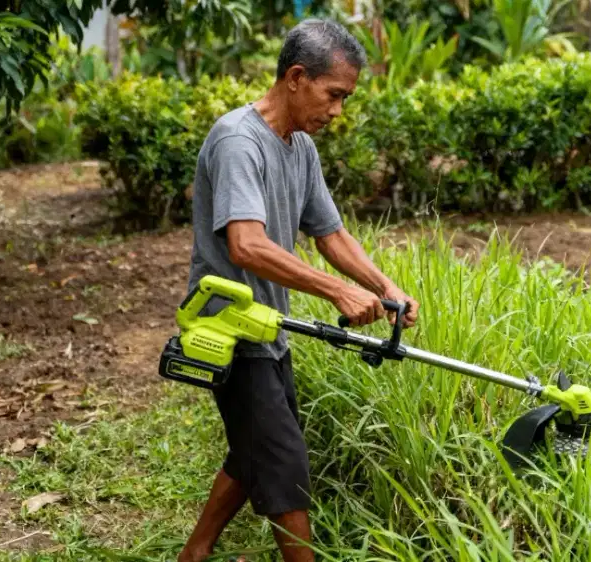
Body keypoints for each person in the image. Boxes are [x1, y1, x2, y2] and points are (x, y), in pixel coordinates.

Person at [178, 18, 419, 562]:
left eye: (345, 99)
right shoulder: (240, 141)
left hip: (268, 324)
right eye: (334, 95)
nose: (338, 111)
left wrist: (385, 288)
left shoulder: (299, 146)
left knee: (253, 452)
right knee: (285, 468)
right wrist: (336, 293)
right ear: (295, 77)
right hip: (228, 326)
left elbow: (330, 234)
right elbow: (246, 245)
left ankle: (193, 554)